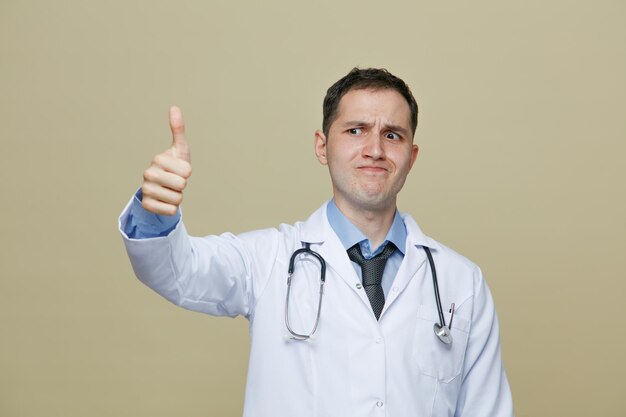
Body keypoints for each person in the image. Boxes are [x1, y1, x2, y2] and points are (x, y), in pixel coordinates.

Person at [118, 68, 514, 416]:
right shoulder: (268, 259)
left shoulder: (462, 284)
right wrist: (157, 210)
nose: (374, 150)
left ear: (411, 156)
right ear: (322, 146)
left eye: (391, 135)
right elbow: (179, 273)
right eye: (355, 130)